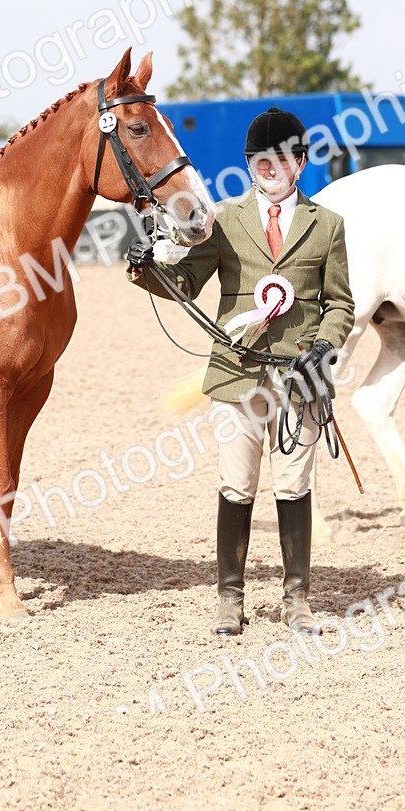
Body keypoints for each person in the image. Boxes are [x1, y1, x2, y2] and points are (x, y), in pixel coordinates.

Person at [127, 108, 354, 637]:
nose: (268, 166)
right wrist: (146, 268)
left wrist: (324, 347)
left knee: (295, 488)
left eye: (279, 158)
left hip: (302, 378)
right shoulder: (225, 220)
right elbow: (186, 279)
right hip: (238, 374)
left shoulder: (328, 227)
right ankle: (231, 598)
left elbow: (341, 303)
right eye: (258, 159)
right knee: (237, 486)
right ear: (249, 163)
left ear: (299, 162)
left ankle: (296, 599)